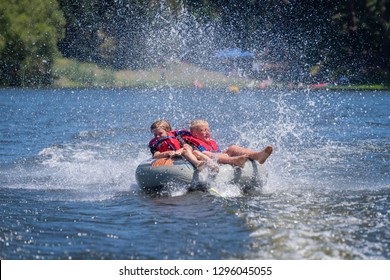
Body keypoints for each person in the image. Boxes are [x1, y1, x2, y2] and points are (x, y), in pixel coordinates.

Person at [179, 119, 273, 168]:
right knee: (205, 153)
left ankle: (258, 155)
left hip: (221, 156)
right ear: (194, 133)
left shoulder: (209, 142)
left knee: (233, 148)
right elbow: (188, 151)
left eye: (208, 130)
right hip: (207, 158)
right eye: (203, 130)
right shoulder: (190, 143)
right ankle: (236, 160)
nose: (207, 132)